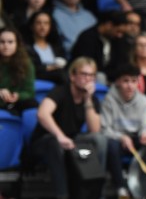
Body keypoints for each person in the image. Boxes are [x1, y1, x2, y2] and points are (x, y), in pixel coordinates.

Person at [27, 57, 107, 199]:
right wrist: (60, 135)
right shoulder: (60, 91)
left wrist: (88, 100)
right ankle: (62, 195)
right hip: (44, 141)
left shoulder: (91, 98)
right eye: (83, 74)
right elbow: (42, 113)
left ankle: (95, 192)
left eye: (91, 75)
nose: (88, 79)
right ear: (72, 76)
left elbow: (94, 129)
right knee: (55, 143)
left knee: (99, 139)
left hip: (71, 140)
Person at [102, 64, 146, 199]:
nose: (130, 86)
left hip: (136, 137)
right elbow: (105, 129)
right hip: (117, 138)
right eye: (126, 81)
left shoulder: (143, 100)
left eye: (133, 81)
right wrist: (121, 137)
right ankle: (121, 189)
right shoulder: (109, 99)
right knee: (111, 146)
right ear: (118, 82)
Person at [24, 11, 68, 85]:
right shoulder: (26, 47)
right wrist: (52, 67)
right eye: (38, 23)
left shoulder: (56, 45)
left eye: (46, 23)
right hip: (38, 76)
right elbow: (33, 68)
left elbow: (64, 62)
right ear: (32, 26)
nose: (42, 26)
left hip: (58, 78)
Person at [0, 27, 37, 114]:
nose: (6, 46)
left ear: (17, 44)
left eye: (10, 42)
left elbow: (29, 91)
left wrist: (17, 95)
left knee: (32, 104)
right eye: (2, 42)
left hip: (16, 102)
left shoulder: (26, 64)